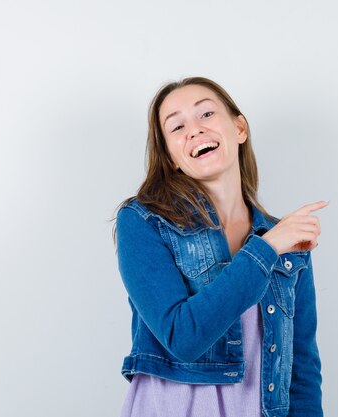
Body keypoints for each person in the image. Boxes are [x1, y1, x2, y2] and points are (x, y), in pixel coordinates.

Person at [113, 76, 327, 417]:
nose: (194, 130)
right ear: (171, 157)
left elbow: (301, 369)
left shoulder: (285, 238)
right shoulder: (142, 222)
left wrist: (273, 242)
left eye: (207, 114)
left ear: (239, 128)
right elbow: (183, 338)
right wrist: (265, 249)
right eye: (177, 126)